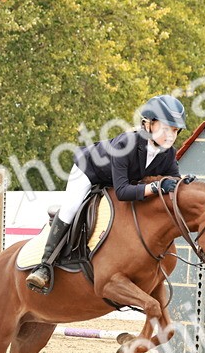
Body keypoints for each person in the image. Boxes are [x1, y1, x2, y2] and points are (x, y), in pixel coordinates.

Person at [25, 94, 187, 292]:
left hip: (114, 179)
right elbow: (122, 191)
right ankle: (44, 266)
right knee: (70, 208)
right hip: (89, 170)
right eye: (165, 128)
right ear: (148, 124)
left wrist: (185, 183)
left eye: (175, 130)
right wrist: (155, 187)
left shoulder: (168, 154)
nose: (170, 135)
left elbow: (174, 181)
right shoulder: (125, 144)